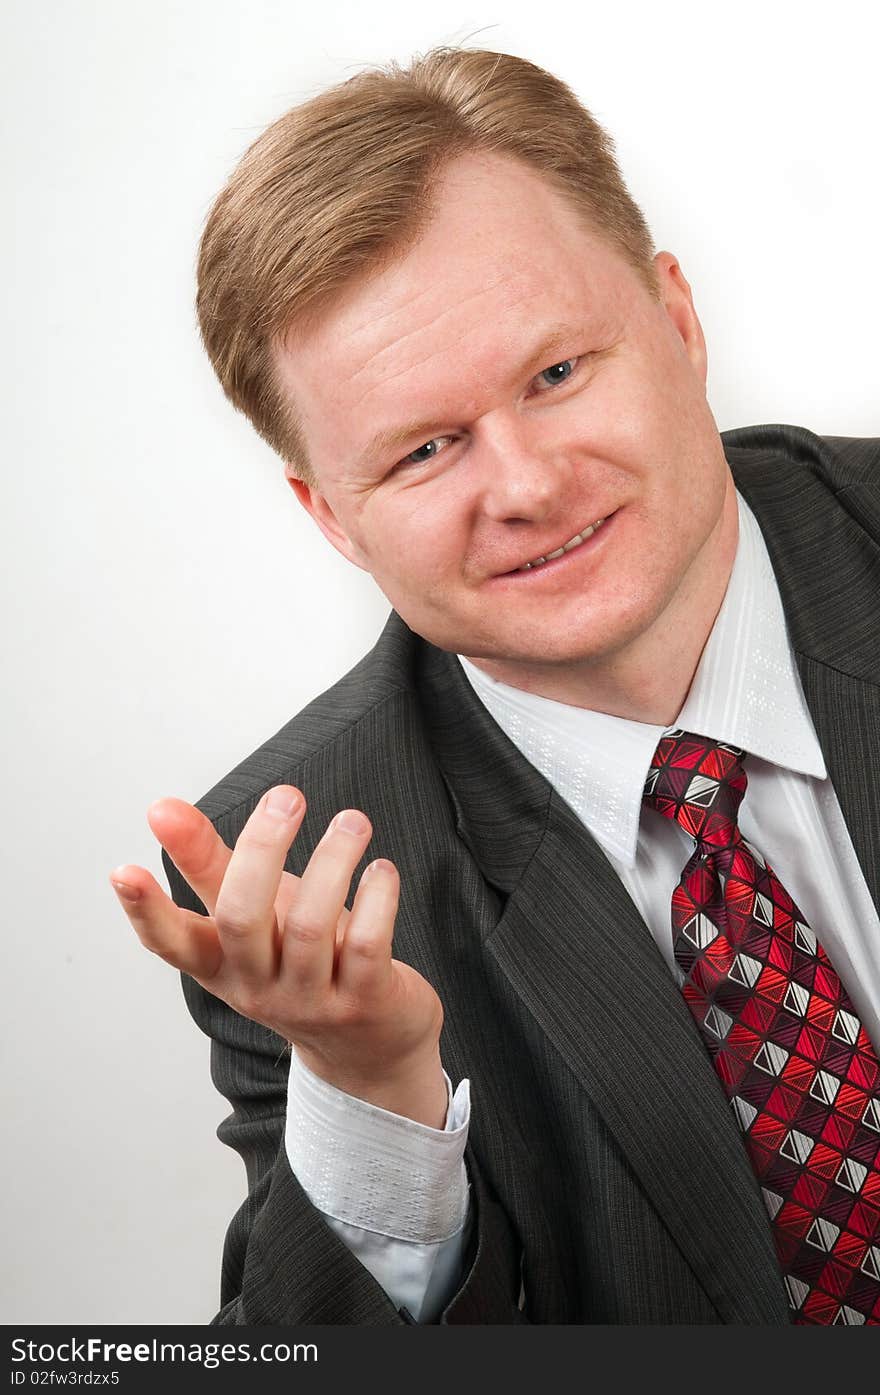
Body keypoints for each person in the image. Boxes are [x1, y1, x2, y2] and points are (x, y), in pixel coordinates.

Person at [109, 47, 880, 1326]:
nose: (524, 486)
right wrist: (370, 1091)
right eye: (423, 450)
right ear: (332, 519)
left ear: (678, 324)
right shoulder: (301, 889)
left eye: (558, 374)